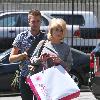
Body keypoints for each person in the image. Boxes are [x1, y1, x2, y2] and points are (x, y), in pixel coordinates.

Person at [9, 9, 46, 100]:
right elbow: (11, 59)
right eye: (33, 21)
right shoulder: (21, 36)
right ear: (29, 22)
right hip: (25, 76)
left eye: (38, 21)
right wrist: (22, 55)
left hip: (41, 77)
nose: (36, 23)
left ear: (41, 22)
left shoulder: (46, 37)